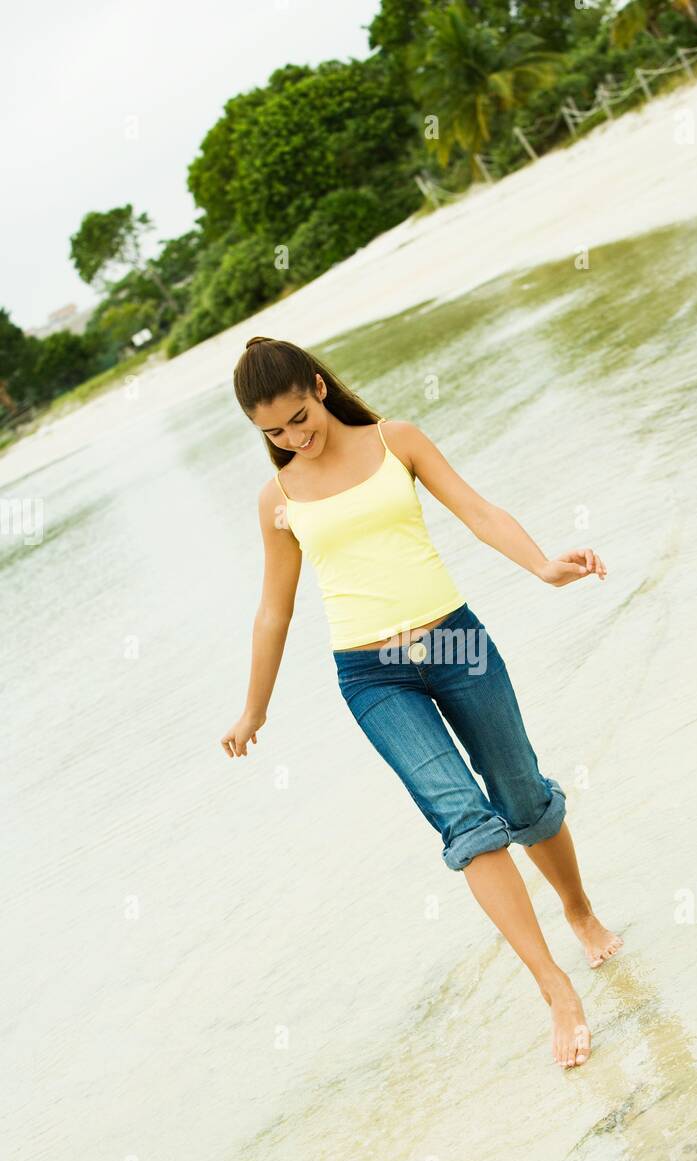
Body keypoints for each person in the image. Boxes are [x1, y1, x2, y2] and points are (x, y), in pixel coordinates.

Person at [222, 336, 622, 1069]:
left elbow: (476, 509)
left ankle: (580, 910)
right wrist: (255, 708)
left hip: (455, 646)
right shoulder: (277, 500)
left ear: (318, 385)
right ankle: (554, 988)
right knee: (466, 823)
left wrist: (543, 566)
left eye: (300, 417)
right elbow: (273, 611)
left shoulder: (395, 440)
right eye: (273, 433)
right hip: (372, 676)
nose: (293, 438)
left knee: (521, 796)